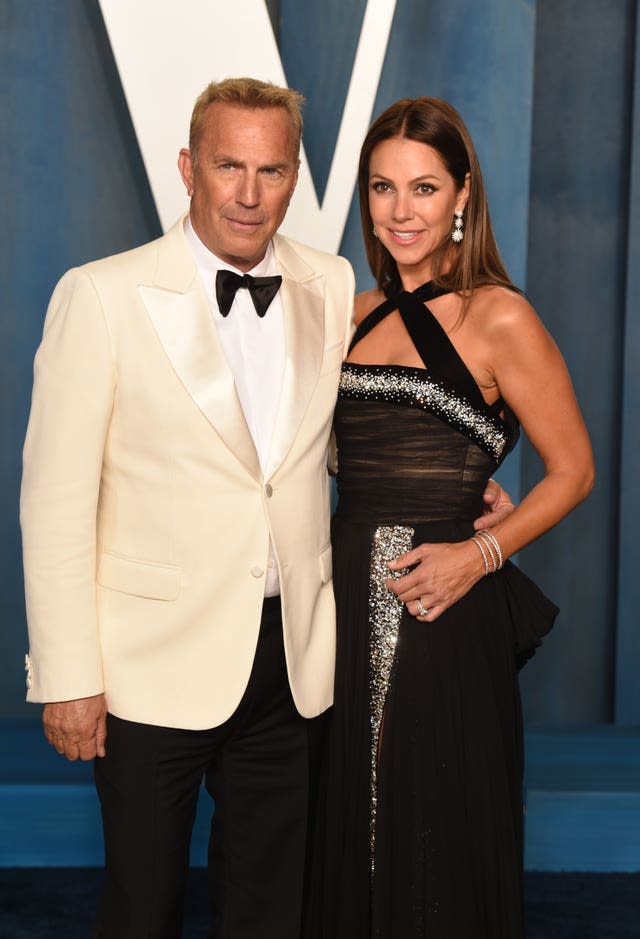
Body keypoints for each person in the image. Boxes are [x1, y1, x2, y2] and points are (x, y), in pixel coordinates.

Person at [20, 77, 357, 939]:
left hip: (290, 659)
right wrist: (69, 676)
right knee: (143, 905)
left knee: (273, 907)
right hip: (144, 665)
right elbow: (54, 501)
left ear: (294, 176)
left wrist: (460, 489)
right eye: (228, 166)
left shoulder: (330, 282)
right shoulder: (100, 294)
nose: (249, 193)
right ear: (187, 167)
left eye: (272, 170)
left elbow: (318, 450)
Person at [304, 97, 594, 939]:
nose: (402, 211)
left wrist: (481, 551)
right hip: (343, 605)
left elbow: (574, 471)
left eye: (424, 188)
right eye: (383, 188)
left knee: (435, 824)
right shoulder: (351, 313)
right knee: (347, 821)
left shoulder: (500, 314)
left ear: (462, 195)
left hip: (442, 607)